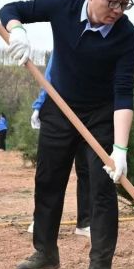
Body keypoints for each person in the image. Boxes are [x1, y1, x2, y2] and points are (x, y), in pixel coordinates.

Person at [0, 0, 134, 269]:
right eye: (112, 1)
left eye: (125, 2)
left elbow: (123, 92)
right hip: (60, 106)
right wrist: (17, 30)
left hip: (101, 114)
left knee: (103, 187)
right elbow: (11, 8)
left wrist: (120, 149)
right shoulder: (63, 6)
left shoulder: (126, 35)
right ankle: (45, 253)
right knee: (48, 181)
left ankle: (99, 266)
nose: (118, 9)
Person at [28, 53, 90, 238]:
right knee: (50, 171)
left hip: (91, 110)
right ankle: (42, 221)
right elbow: (50, 74)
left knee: (87, 168)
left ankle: (86, 222)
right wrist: (40, 104)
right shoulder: (66, 37)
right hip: (60, 108)